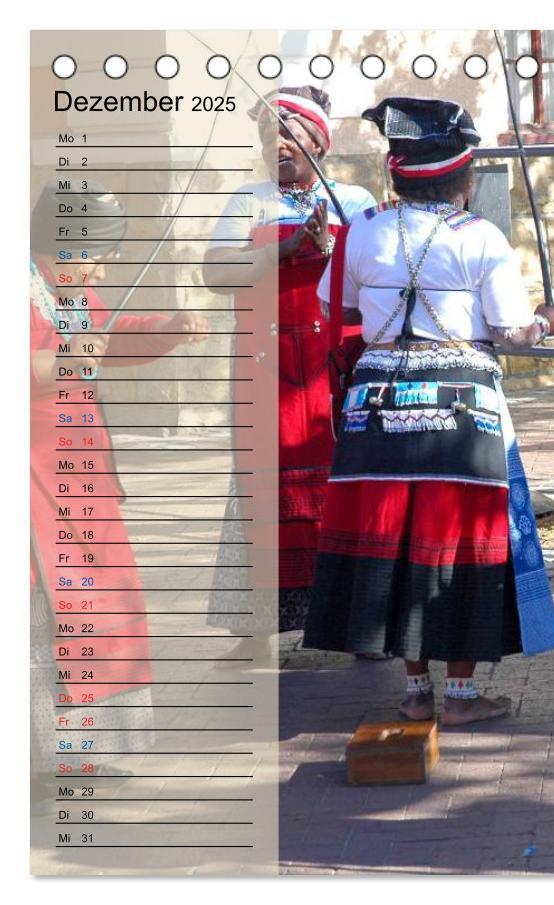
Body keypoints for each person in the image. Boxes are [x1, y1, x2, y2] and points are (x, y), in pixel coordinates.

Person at [301, 97, 554, 725]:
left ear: (397, 173)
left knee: (391, 540)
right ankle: (462, 697)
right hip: (460, 410)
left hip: (375, 409)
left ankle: (415, 691)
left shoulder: (362, 230)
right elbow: (509, 330)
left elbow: (335, 306)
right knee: (453, 542)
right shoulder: (480, 237)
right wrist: (547, 322)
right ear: (465, 177)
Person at [29, 182, 210, 784]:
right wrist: (72, 355)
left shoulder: (69, 292)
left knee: (102, 608)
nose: (105, 267)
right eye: (97, 253)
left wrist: (169, 327)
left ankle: (85, 751)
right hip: (31, 480)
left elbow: (112, 335)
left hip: (78, 477)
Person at [202, 87, 377, 647]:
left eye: (291, 132)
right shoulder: (248, 201)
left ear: (319, 142)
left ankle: (358, 622)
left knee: (347, 483)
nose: (277, 144)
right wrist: (284, 249)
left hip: (336, 366)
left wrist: (332, 248)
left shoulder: (355, 198)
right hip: (266, 368)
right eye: (267, 136)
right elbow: (215, 273)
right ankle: (259, 627)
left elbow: (374, 278)